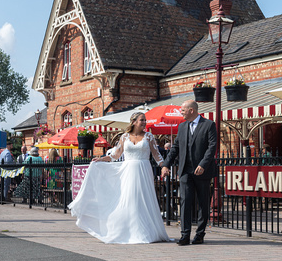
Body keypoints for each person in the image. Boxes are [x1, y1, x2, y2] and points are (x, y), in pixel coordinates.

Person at [68, 112, 170, 244]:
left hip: (143, 170)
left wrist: (164, 166)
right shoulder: (124, 137)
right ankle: (128, 230)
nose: (144, 122)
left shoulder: (149, 136)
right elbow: (115, 155)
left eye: (145, 120)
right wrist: (101, 159)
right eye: (141, 120)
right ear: (133, 122)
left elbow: (157, 155)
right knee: (128, 199)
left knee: (142, 199)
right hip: (128, 171)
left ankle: (146, 231)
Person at [161, 99, 217, 246]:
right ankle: (185, 235)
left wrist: (203, 164)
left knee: (203, 203)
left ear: (191, 110)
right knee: (185, 202)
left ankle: (200, 234)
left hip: (202, 171)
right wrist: (166, 164)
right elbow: (175, 148)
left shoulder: (209, 125)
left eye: (183, 110)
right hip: (185, 170)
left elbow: (212, 147)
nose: (181, 112)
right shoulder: (182, 127)